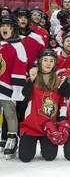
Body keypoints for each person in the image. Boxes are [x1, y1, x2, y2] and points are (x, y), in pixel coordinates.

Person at [19, 50, 69, 162]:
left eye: (51, 61)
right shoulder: (33, 79)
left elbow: (62, 105)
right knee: (25, 157)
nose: (48, 63)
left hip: (48, 128)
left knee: (50, 156)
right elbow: (23, 99)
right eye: (45, 60)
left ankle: (44, 146)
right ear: (40, 62)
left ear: (55, 63)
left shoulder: (59, 82)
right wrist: (31, 80)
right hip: (30, 127)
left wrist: (62, 122)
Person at [0, 15, 27, 158]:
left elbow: (19, 68)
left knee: (9, 113)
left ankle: (12, 138)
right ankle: (3, 138)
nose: (4, 28)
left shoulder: (18, 46)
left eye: (8, 26)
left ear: (14, 29)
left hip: (7, 88)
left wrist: (17, 90)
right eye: (2, 26)